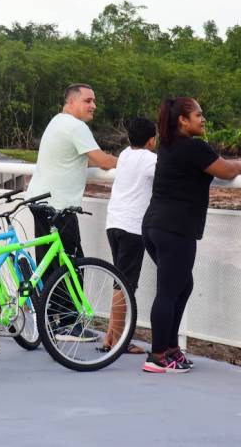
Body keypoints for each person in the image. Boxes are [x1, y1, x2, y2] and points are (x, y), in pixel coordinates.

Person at [141, 97, 241, 373]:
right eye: (198, 115)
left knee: (182, 286)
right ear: (183, 120)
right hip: (175, 229)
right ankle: (158, 356)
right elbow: (227, 170)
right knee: (169, 291)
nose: (203, 119)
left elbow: (213, 166)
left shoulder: (170, 147)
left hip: (155, 225)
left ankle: (170, 349)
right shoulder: (193, 147)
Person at [26, 83, 118, 342]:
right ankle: (66, 324)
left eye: (94, 101)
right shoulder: (76, 126)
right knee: (71, 263)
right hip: (58, 206)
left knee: (49, 263)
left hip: (41, 199)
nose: (93, 106)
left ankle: (50, 321)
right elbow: (101, 160)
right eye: (88, 101)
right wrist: (127, 163)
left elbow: (81, 157)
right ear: (72, 102)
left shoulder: (57, 122)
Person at [100, 117, 157, 355]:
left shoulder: (124, 155)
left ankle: (110, 337)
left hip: (113, 222)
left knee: (119, 280)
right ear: (152, 140)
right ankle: (119, 341)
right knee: (124, 284)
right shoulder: (150, 159)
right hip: (132, 227)